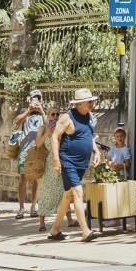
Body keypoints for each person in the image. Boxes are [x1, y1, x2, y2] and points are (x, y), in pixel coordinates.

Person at [48, 88, 97, 243]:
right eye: (89, 102)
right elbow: (55, 137)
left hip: (82, 163)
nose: (92, 104)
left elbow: (90, 136)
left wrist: (96, 151)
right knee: (77, 192)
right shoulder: (67, 117)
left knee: (68, 195)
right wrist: (56, 159)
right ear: (80, 103)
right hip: (68, 161)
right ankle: (85, 231)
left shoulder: (89, 116)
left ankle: (55, 230)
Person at [11, 93, 46, 217]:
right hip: (24, 151)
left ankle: (33, 207)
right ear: (29, 100)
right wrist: (29, 110)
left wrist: (41, 110)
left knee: (36, 179)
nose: (36, 100)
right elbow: (16, 121)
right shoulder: (25, 112)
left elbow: (49, 126)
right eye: (34, 98)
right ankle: (21, 208)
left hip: (38, 151)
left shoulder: (43, 114)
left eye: (38, 98)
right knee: (23, 179)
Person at [32, 106, 63, 233]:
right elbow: (38, 144)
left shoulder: (61, 129)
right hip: (45, 164)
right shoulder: (42, 128)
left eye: (57, 114)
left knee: (62, 192)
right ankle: (41, 222)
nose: (55, 117)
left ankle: (69, 219)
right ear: (48, 115)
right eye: (52, 114)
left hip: (58, 163)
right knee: (44, 192)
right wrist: (47, 133)